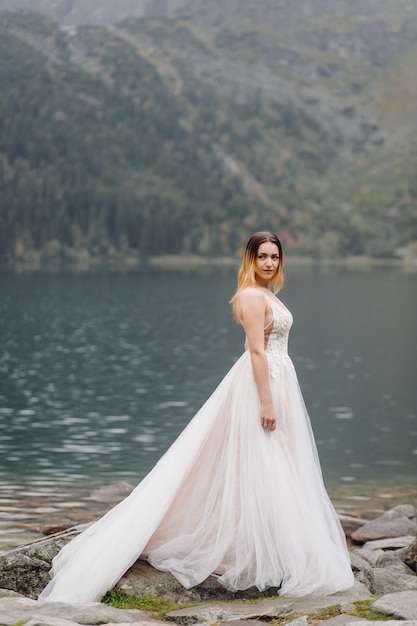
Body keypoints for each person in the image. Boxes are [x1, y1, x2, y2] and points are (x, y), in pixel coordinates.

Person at [39, 231, 353, 603]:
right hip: (261, 385)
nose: (269, 262)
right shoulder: (252, 296)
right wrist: (266, 402)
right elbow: (255, 351)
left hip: (279, 381)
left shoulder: (269, 295)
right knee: (266, 459)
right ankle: (255, 547)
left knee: (280, 462)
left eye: (274, 256)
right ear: (250, 260)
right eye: (262, 256)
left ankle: (270, 543)